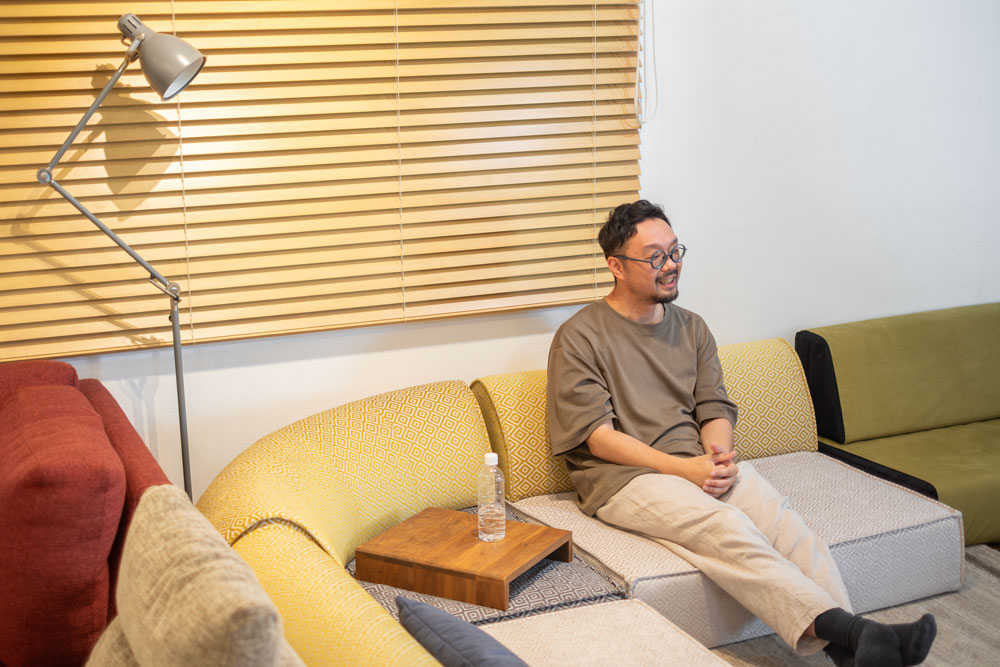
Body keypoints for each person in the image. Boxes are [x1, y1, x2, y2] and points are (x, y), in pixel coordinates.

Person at [545, 200, 937, 667]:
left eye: (675, 251)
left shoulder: (692, 328)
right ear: (616, 266)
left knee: (784, 522)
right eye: (655, 257)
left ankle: (853, 653)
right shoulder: (580, 335)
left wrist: (717, 459)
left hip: (697, 463)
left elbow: (714, 406)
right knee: (727, 526)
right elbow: (598, 437)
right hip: (625, 478)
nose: (670, 265)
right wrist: (684, 470)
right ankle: (858, 634)